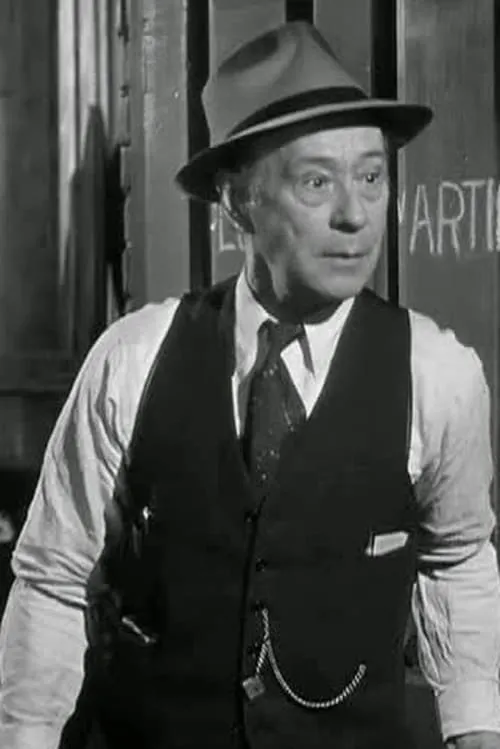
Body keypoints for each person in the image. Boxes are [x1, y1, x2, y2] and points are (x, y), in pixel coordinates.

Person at [0, 20, 499, 749]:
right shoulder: (133, 359)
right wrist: (26, 734)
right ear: (237, 201)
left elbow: (458, 561)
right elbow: (54, 577)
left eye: (371, 177)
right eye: (316, 182)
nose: (355, 215)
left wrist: (476, 731)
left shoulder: (439, 374)